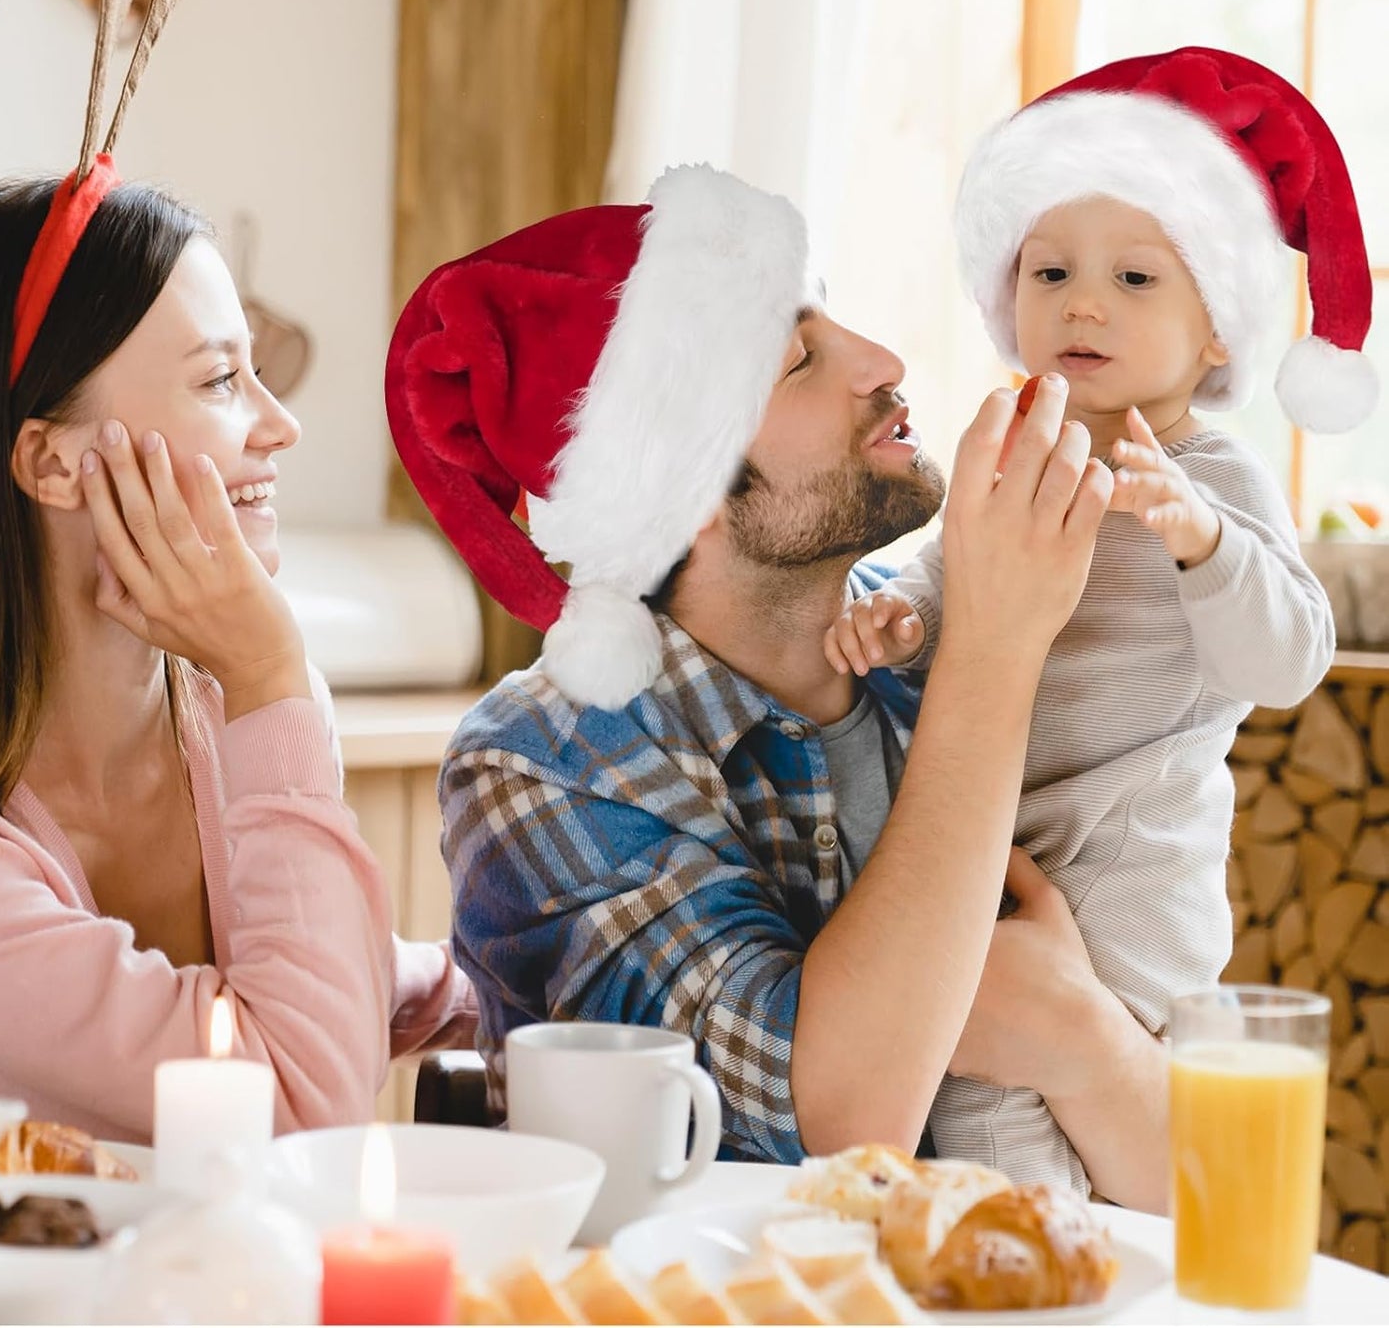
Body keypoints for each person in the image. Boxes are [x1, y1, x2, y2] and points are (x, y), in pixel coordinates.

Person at [387, 163, 1175, 1212]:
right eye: (799, 359)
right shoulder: (542, 761)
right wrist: (994, 656)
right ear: (682, 490)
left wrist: (1076, 1033)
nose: (882, 361)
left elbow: (1204, 1204)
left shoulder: (933, 640)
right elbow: (836, 1119)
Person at [0, 0, 473, 1142]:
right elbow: (297, 1103)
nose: (279, 427)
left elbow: (337, 983)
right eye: (222, 380)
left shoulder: (215, 725)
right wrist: (273, 670)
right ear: (51, 461)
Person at [826, 47, 1374, 1191]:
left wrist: (1203, 542)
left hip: (1132, 882)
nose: (1082, 301)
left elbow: (1286, 659)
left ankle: (1049, 1255)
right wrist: (900, 622)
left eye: (1133, 278)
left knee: (1060, 1129)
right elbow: (945, 576)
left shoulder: (1212, 476)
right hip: (996, 859)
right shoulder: (1020, 449)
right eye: (1049, 271)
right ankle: (1027, 1257)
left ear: (1216, 328)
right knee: (977, 1105)